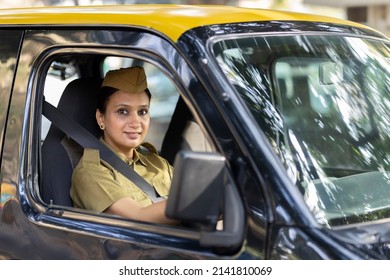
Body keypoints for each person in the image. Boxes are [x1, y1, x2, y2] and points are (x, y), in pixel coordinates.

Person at [70, 66, 176, 225]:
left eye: (142, 112)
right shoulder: (91, 172)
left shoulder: (157, 162)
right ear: (101, 118)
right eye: (123, 112)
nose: (136, 123)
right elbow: (139, 218)